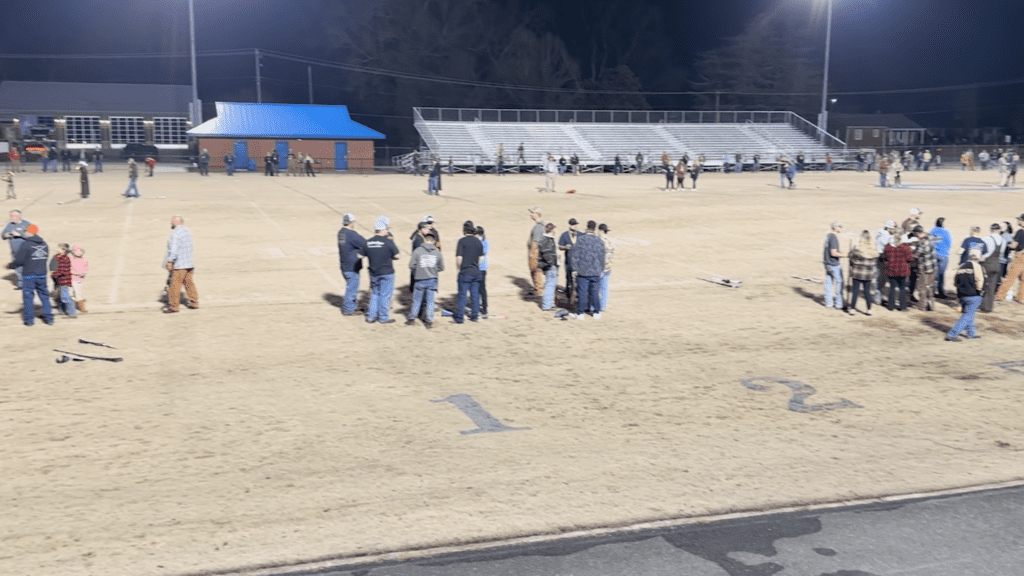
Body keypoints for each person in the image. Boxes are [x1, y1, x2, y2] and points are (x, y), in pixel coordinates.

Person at [7, 223, 52, 325]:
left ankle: (29, 320)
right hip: (42, 274)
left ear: (28, 232)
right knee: (44, 297)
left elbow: (19, 261)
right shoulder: (44, 244)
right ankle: (49, 319)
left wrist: (10, 266)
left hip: (29, 275)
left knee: (28, 298)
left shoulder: (26, 245)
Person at [363, 216, 400, 324]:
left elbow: (360, 255)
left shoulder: (368, 242)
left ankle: (371, 316)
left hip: (373, 272)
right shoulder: (388, 242)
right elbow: (397, 256)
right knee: (385, 295)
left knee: (375, 294)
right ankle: (383, 317)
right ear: (384, 230)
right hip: (387, 272)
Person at [406, 230, 444, 329]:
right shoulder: (437, 252)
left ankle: (412, 318)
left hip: (420, 279)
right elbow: (441, 267)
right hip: (432, 279)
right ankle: (429, 321)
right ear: (434, 241)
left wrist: (419, 269)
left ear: (425, 240)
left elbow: (411, 265)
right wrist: (433, 269)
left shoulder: (418, 251)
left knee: (417, 300)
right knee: (430, 301)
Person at [946, 249, 984, 342]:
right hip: (973, 295)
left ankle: (971, 333)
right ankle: (952, 334)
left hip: (962, 295)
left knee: (969, 313)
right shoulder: (977, 266)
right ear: (978, 257)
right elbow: (980, 280)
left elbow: (955, 281)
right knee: (967, 315)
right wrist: (979, 291)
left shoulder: (961, 267)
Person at [570, 220, 606, 319]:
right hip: (596, 271)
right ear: (594, 228)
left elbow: (575, 256)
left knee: (582, 292)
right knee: (595, 292)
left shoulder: (581, 240)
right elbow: (602, 257)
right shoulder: (599, 241)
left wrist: (574, 269)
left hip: (583, 271)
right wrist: (601, 269)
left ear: (587, 227)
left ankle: (580, 313)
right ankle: (597, 312)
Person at [162, 215, 198, 313]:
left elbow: (174, 249)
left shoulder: (175, 233)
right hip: (189, 263)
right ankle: (194, 303)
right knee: (189, 284)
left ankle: (173, 307)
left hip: (179, 264)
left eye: (172, 221)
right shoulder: (187, 231)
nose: (171, 223)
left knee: (175, 286)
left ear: (175, 222)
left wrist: (170, 261)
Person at [454, 220, 484, 324]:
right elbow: (481, 258)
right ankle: (475, 316)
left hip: (465, 272)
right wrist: (475, 266)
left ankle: (459, 317)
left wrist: (460, 269)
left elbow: (459, 258)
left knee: (462, 295)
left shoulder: (461, 241)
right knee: (475, 295)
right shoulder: (478, 241)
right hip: (476, 272)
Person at [337, 213, 366, 316]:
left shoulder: (341, 233)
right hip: (352, 266)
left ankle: (352, 306)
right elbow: (364, 243)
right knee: (352, 288)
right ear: (351, 223)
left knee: (351, 287)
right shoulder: (352, 234)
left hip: (344, 265)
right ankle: (348, 309)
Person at [848, 230, 878, 315]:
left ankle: (852, 309)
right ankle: (869, 310)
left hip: (857, 273)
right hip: (868, 274)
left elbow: (851, 259)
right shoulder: (873, 250)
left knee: (855, 291)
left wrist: (851, 253)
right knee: (867, 292)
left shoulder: (857, 249)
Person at [995, 214, 1024, 304]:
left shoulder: (1020, 231)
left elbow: (1014, 245)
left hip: (1020, 257)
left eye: (1019, 219)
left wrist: (1007, 245)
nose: (1018, 221)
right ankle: (1021, 298)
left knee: (1010, 277)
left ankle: (1000, 296)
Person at [883, 235, 914, 311]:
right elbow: (910, 258)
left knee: (892, 288)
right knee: (902, 288)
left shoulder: (888, 247)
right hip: (902, 271)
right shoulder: (905, 247)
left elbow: (885, 257)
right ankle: (903, 306)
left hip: (891, 271)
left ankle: (890, 306)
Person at [979, 223, 1005, 313]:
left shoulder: (987, 239)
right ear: (998, 230)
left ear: (991, 229)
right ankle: (989, 307)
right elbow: (1001, 252)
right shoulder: (1003, 240)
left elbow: (983, 253)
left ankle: (983, 306)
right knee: (992, 286)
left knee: (984, 285)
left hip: (987, 264)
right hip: (997, 264)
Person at [3, 210, 30, 288]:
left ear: (20, 216)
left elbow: (33, 235)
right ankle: (21, 284)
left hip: (26, 250)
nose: (13, 218)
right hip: (14, 251)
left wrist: (20, 234)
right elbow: (2, 235)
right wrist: (6, 235)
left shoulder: (26, 224)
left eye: (15, 216)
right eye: (11, 216)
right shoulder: (9, 225)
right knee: (18, 267)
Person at [912, 225, 937, 311]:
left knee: (921, 287)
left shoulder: (922, 242)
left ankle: (921, 306)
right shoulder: (929, 237)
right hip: (932, 266)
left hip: (925, 268)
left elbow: (916, 255)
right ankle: (931, 303)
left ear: (917, 233)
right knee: (929, 286)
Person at [822, 221, 846, 311]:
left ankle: (828, 303)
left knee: (828, 283)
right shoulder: (834, 238)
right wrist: (844, 255)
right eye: (839, 226)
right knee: (839, 283)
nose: (840, 228)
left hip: (827, 263)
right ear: (835, 227)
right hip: (833, 264)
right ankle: (838, 304)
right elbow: (833, 253)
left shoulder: (828, 236)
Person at [51, 243, 76, 319]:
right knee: (60, 296)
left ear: (63, 250)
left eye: (59, 248)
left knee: (65, 297)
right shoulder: (60, 257)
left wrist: (54, 274)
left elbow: (62, 271)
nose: (57, 249)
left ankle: (72, 313)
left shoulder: (65, 258)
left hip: (64, 281)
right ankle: (61, 310)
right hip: (60, 280)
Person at [559, 218, 579, 307]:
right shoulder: (564, 235)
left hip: (579, 262)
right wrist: (565, 247)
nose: (574, 226)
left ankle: (575, 296)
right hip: (568, 261)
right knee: (568, 279)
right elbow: (559, 246)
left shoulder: (580, 234)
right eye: (573, 225)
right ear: (570, 225)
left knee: (578, 280)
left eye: (575, 224)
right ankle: (568, 295)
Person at [538, 222, 559, 311]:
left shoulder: (543, 239)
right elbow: (547, 254)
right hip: (550, 266)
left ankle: (549, 304)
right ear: (552, 230)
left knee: (549, 285)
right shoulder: (548, 240)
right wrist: (552, 263)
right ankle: (547, 305)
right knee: (550, 285)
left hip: (547, 266)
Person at [930, 217, 952, 299]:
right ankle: (940, 291)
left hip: (933, 254)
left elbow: (929, 241)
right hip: (943, 255)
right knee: (941, 275)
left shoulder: (932, 230)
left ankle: (932, 291)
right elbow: (949, 243)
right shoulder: (946, 232)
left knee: (933, 274)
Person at [526, 208, 545, 295]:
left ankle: (538, 290)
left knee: (535, 270)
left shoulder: (538, 227)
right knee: (536, 271)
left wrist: (533, 255)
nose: (530, 214)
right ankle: (538, 288)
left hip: (535, 253)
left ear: (536, 214)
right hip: (537, 252)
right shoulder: (540, 225)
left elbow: (536, 242)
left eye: (532, 213)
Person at [598, 223, 614, 312]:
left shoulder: (599, 241)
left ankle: (594, 306)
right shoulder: (610, 241)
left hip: (600, 267)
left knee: (596, 288)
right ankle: (603, 306)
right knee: (604, 288)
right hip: (608, 266)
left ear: (600, 231)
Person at [70, 244, 88, 313]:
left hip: (80, 279)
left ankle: (75, 307)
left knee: (75, 294)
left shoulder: (84, 259)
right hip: (73, 278)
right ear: (73, 252)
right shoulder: (71, 259)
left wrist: (84, 273)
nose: (79, 252)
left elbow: (86, 268)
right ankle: (82, 309)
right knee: (77, 294)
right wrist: (76, 273)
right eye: (76, 251)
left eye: (80, 251)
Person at [476, 226, 488, 316]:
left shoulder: (482, 242)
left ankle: (483, 307)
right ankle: (483, 307)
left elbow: (481, 254)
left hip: (479, 268)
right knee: (481, 288)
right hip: (482, 268)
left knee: (479, 289)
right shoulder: (485, 241)